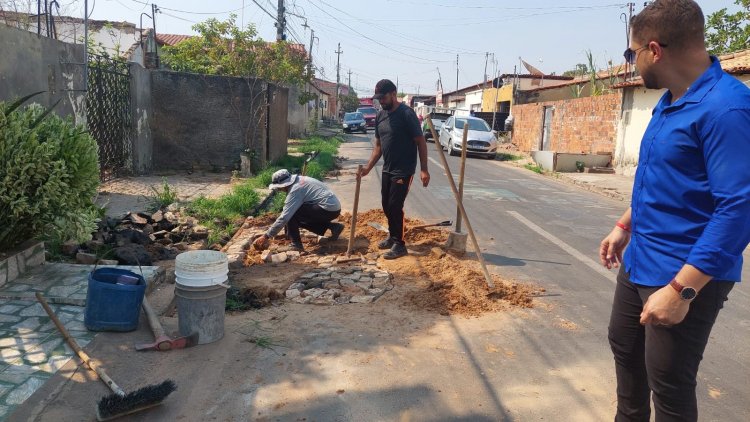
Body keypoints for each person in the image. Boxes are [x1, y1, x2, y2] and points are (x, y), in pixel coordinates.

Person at [598, 1, 750, 420]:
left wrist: (682, 290)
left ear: (653, 49)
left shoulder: (727, 108)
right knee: (625, 351)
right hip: (641, 257)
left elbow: (738, 209)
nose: (631, 63)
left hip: (686, 270)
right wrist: (624, 224)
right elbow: (664, 180)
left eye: (631, 54)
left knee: (668, 383)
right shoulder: (670, 101)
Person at [357, 79, 430, 259]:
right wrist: (367, 168)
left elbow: (420, 141)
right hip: (387, 169)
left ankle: (399, 244)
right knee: (386, 205)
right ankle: (392, 235)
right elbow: (378, 147)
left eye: (383, 97)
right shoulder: (380, 116)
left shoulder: (407, 114)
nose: (381, 101)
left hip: (404, 169)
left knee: (395, 206)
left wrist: (424, 169)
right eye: (378, 98)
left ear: (393, 94)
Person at [253, 169, 344, 252]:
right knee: (299, 216)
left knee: (292, 214)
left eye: (279, 188)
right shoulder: (300, 179)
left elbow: (285, 217)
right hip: (333, 208)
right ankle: (334, 227)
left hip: (327, 209)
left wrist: (266, 236)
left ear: (284, 184)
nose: (280, 190)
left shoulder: (295, 189)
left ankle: (296, 245)